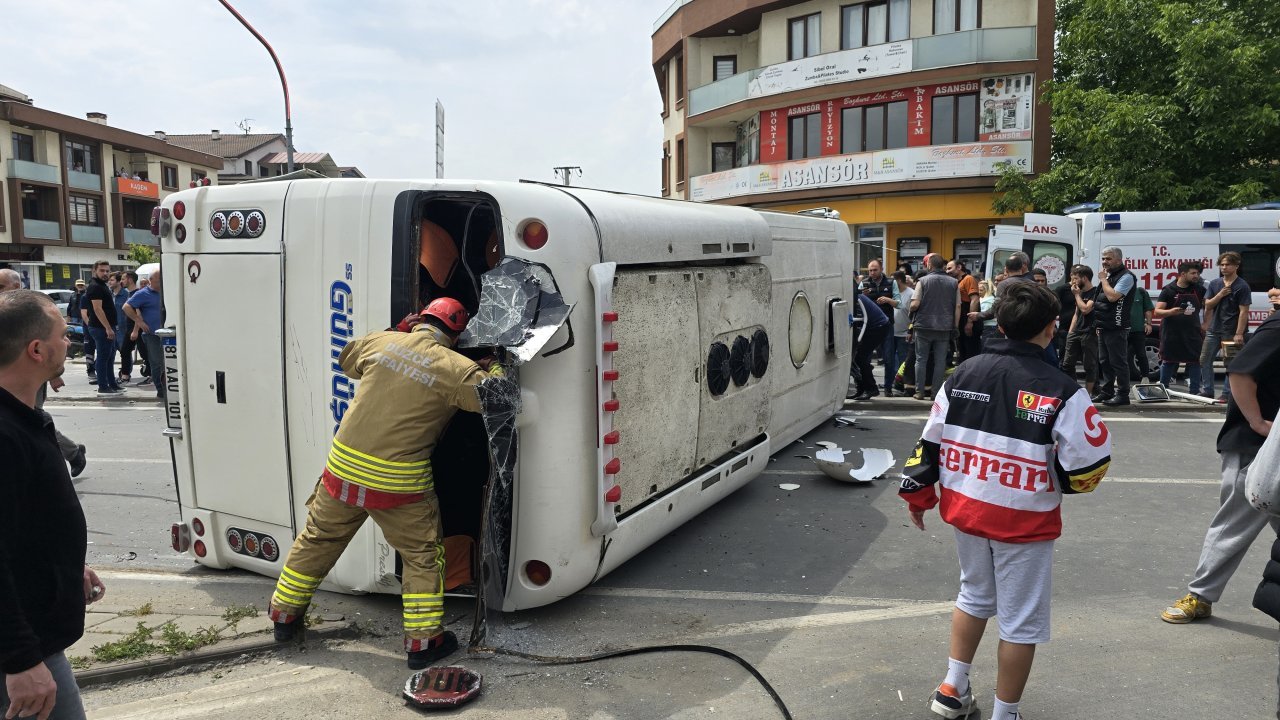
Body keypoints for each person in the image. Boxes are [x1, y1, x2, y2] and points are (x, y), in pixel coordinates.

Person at [900, 281, 1110, 720]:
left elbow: (929, 442)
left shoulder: (963, 373)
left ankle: (952, 688)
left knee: (973, 595)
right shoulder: (1064, 389)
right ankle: (1004, 714)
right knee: (1021, 622)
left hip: (965, 509)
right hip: (1023, 520)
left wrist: (918, 496)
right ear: (1052, 329)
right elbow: (1089, 467)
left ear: (1000, 321)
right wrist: (1056, 481)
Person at [268, 298, 502, 669]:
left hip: (341, 472)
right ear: (456, 335)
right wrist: (494, 367)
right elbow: (501, 402)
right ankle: (425, 643)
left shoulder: (381, 341)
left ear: (420, 319)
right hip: (398, 486)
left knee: (318, 540)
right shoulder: (457, 368)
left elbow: (347, 359)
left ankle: (284, 617)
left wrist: (396, 331)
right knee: (422, 557)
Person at [0, 290, 107, 720]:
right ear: (37, 350)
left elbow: (24, 525)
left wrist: (64, 566)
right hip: (23, 653)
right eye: (63, 335)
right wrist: (21, 661)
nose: (70, 342)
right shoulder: (5, 436)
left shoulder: (23, 418)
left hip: (32, 640)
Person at [1161, 297, 1280, 624]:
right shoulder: (1278, 327)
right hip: (1257, 449)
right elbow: (1240, 372)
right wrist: (1258, 423)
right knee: (1234, 522)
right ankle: (1199, 596)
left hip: (1266, 445)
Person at [0, 271, 86, 478]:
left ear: (16, 287)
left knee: (32, 419)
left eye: (1, 286)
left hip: (32, 378)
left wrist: (54, 373)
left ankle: (73, 453)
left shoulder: (36, 313)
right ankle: (73, 453)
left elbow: (49, 350)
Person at [1200, 251, 1252, 402]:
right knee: (1204, 359)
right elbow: (1207, 305)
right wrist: (1220, 294)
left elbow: (1244, 312)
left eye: (1227, 264)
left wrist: (1239, 333)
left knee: (1230, 363)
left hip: (1231, 330)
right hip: (1214, 329)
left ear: (1236, 266)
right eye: (1222, 264)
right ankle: (1208, 390)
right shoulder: (1215, 284)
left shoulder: (1242, 286)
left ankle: (1227, 394)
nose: (1224, 267)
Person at [1092, 246, 1138, 406]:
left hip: (1117, 327)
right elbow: (1100, 301)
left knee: (1118, 361)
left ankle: (1123, 394)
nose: (1105, 262)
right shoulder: (1111, 276)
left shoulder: (1127, 277)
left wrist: (1103, 279)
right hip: (1105, 326)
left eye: (1108, 259)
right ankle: (1107, 392)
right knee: (1104, 361)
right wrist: (1098, 324)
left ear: (1119, 260)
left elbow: (1112, 297)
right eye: (1103, 258)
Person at [910, 254, 959, 401]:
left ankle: (919, 392)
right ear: (943, 266)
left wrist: (910, 310)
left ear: (929, 265)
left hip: (923, 326)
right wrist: (955, 326)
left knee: (921, 360)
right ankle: (935, 393)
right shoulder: (954, 282)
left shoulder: (922, 281)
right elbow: (957, 306)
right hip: (944, 327)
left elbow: (915, 304)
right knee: (940, 361)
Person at [1154, 262, 1207, 394]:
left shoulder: (1199, 289)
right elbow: (1157, 311)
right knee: (1168, 361)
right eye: (1193, 273)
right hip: (1172, 332)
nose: (1196, 276)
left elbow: (1209, 306)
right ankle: (1164, 389)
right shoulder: (1168, 290)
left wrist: (1207, 323)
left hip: (1193, 331)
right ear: (1183, 274)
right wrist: (1172, 311)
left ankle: (1194, 391)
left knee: (1195, 361)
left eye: (1198, 273)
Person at [122, 270, 164, 398]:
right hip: (152, 334)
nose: (161, 283)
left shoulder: (166, 291)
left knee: (168, 362)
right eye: (158, 281)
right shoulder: (143, 293)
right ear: (151, 281)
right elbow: (126, 307)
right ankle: (161, 390)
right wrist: (139, 322)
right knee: (156, 362)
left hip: (168, 333)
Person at [83, 262, 122, 395]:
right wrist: (108, 328)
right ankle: (103, 386)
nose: (105, 273)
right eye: (102, 271)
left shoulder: (101, 285)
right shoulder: (95, 287)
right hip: (101, 328)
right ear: (94, 271)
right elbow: (97, 309)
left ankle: (112, 384)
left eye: (107, 271)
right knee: (103, 357)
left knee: (110, 356)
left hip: (106, 327)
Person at [1060, 265, 1100, 394]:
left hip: (1089, 332)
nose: (1073, 282)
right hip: (1076, 331)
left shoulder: (1095, 292)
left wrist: (1077, 295)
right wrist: (1071, 332)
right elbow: (1077, 313)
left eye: (1076, 278)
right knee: (1067, 364)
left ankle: (1088, 393)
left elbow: (1086, 309)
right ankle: (1075, 391)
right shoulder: (1080, 293)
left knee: (1089, 365)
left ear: (1085, 278)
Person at [850, 289, 892, 401]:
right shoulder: (854, 295)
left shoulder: (854, 297)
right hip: (876, 325)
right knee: (857, 358)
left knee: (861, 358)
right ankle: (862, 388)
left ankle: (871, 388)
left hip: (878, 327)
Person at [863, 259, 897, 369]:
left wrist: (888, 300)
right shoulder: (864, 283)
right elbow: (856, 302)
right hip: (869, 325)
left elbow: (899, 304)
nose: (872, 273)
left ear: (882, 269)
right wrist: (862, 294)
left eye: (875, 270)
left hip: (887, 324)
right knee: (865, 357)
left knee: (888, 358)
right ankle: (866, 384)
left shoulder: (892, 282)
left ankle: (888, 386)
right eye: (870, 270)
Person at [886, 270, 914, 397]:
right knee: (890, 360)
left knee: (904, 361)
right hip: (891, 332)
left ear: (899, 280)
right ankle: (891, 383)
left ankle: (903, 385)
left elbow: (914, 315)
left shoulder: (911, 294)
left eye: (893, 281)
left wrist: (910, 330)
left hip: (904, 333)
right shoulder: (892, 293)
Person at [948, 260, 981, 363]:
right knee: (962, 352)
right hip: (961, 320)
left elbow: (974, 300)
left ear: (958, 267)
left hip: (968, 319)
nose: (947, 271)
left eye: (950, 268)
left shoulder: (968, 279)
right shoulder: (954, 282)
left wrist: (970, 322)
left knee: (970, 352)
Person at [1125, 286, 1156, 382]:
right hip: (1121, 330)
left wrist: (1149, 324)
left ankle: (1145, 377)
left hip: (1138, 329)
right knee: (1120, 355)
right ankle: (1119, 377)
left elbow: (1148, 309)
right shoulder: (1117, 291)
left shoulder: (1141, 292)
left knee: (1141, 354)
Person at [114, 272, 139, 384]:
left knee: (145, 353)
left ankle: (151, 374)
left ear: (130, 280)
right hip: (129, 328)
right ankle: (125, 376)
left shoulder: (137, 294)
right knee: (125, 351)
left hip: (136, 329)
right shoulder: (129, 293)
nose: (121, 281)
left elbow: (139, 314)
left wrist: (135, 330)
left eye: (123, 279)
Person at [67, 280, 93, 383]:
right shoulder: (73, 295)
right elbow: (70, 306)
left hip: (84, 318)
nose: (80, 286)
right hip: (74, 317)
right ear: (76, 285)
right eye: (78, 285)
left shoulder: (86, 295)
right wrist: (68, 317)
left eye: (82, 284)